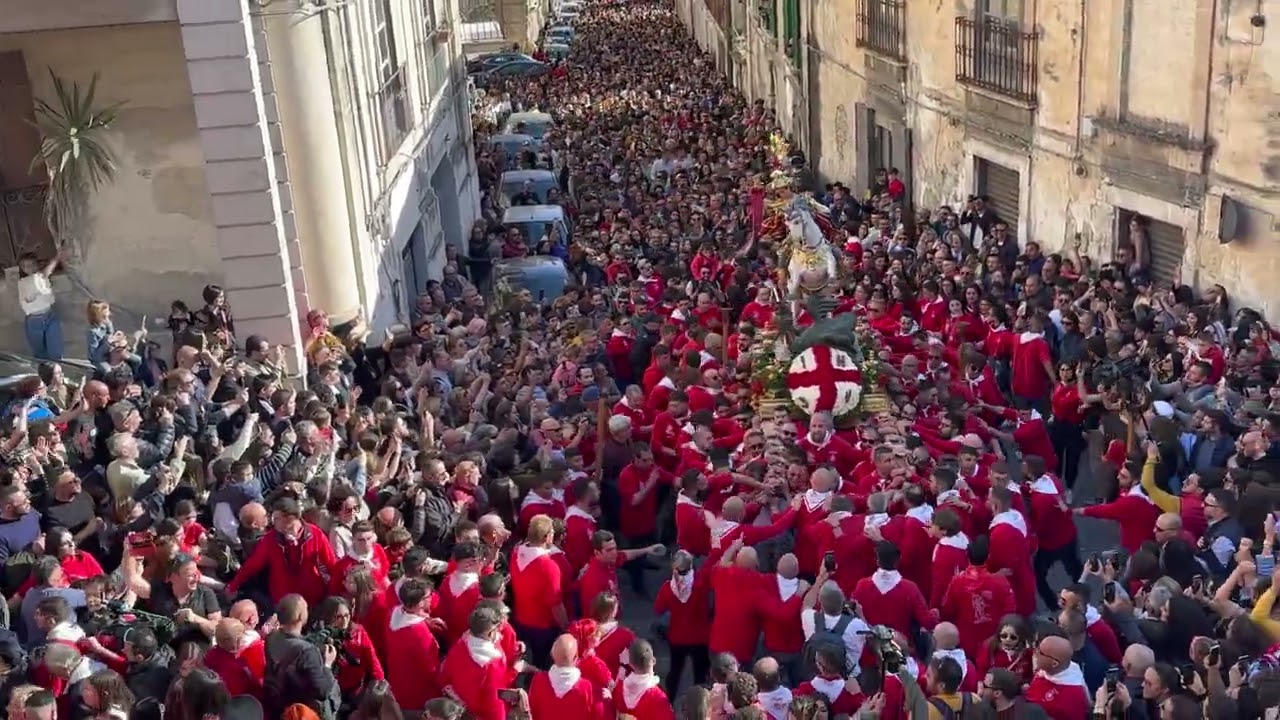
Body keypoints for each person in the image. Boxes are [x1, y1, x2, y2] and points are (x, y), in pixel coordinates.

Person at [262, 594, 339, 720]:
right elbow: (322, 691)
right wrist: (327, 665)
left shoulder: (271, 638)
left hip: (278, 705)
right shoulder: (307, 652)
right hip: (300, 711)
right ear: (300, 617)